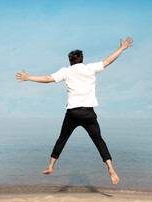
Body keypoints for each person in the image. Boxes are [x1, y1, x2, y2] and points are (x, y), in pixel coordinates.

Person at [16, 37, 134, 185]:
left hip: (72, 113)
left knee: (62, 139)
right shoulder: (90, 68)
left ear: (70, 61)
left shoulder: (66, 71)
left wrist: (28, 78)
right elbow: (108, 60)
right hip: (88, 113)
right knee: (98, 140)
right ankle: (110, 167)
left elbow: (47, 79)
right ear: (82, 59)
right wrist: (122, 48)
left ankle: (51, 166)